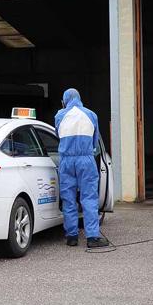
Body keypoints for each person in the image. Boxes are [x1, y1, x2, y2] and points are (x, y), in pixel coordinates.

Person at [55, 88, 109, 248]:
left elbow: (58, 135)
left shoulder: (59, 115)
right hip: (85, 159)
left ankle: (71, 236)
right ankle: (92, 237)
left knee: (68, 198)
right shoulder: (91, 115)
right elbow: (95, 140)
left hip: (66, 161)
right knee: (89, 198)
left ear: (65, 100)